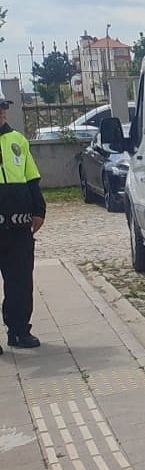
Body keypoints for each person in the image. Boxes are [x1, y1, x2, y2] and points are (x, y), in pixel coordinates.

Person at [0, 98, 46, 351]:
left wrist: (38, 210)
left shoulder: (18, 140)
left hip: (18, 229)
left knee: (20, 282)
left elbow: (31, 179)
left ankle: (18, 331)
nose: (1, 112)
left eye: (2, 107)